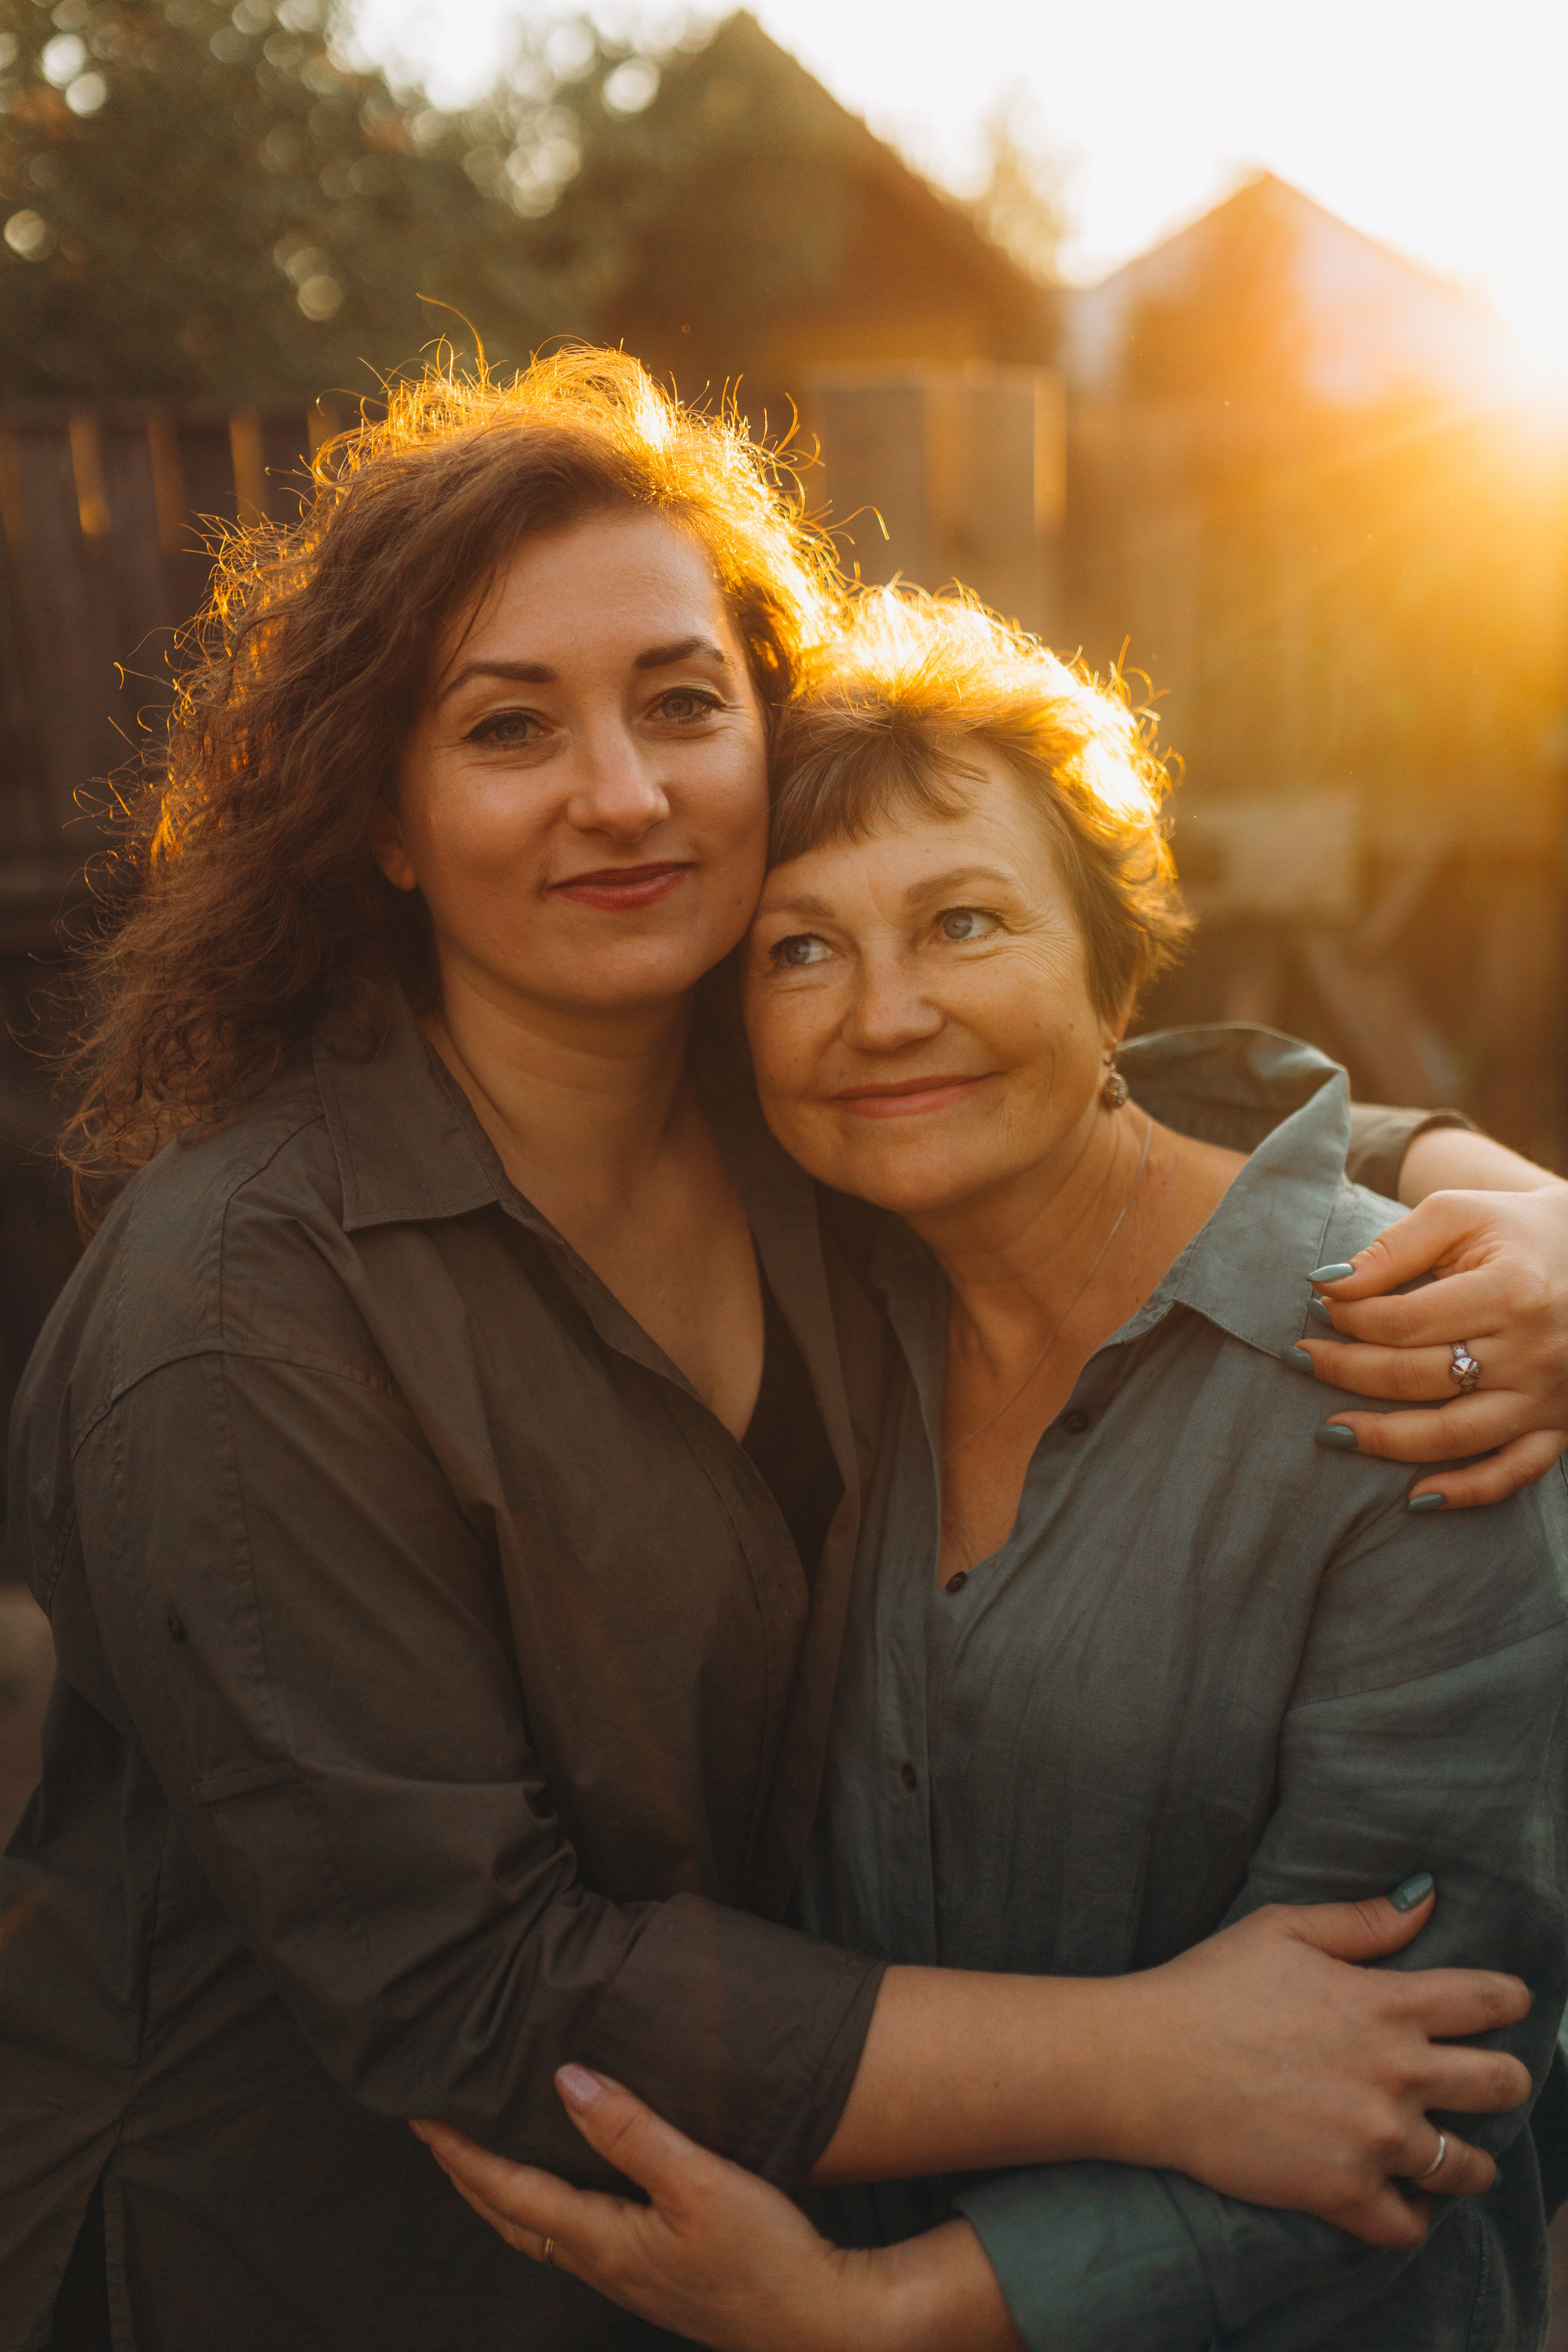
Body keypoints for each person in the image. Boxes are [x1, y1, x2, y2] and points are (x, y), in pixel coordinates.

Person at [2, 355, 1564, 2352]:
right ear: (379, 821)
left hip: (750, 2237)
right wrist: (1151, 2061)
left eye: (680, 701)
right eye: (507, 728)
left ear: (763, 727)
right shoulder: (237, 1319)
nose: (627, 792)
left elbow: (1102, 1107)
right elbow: (469, 1988)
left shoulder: (795, 1122)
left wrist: (1515, 1203)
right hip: (314, 2250)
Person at [417, 592, 1568, 2351]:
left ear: (1117, 964)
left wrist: (878, 2314)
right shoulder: (822, 1310)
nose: (884, 1015)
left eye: (962, 923)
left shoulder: (1419, 1366)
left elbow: (1405, 2082)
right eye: (798, 952)